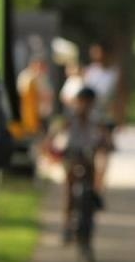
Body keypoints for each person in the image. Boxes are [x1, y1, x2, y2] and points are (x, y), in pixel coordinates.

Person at [43, 87, 104, 245]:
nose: (85, 106)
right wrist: (51, 148)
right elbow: (53, 134)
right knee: (70, 190)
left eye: (89, 103)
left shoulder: (96, 118)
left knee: (94, 174)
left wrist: (107, 143)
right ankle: (66, 225)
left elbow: (105, 136)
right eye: (83, 102)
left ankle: (94, 197)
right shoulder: (69, 118)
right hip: (72, 154)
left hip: (88, 154)